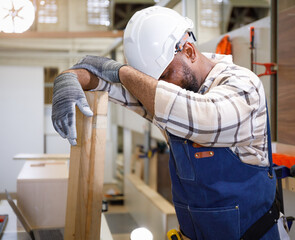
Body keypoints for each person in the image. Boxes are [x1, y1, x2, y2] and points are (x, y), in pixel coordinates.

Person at [52, 6, 280, 240]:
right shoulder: (170, 94)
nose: (161, 87)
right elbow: (104, 83)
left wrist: (123, 73)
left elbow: (202, 117)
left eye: (164, 76)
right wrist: (67, 78)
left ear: (189, 51)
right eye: (155, 82)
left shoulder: (243, 84)